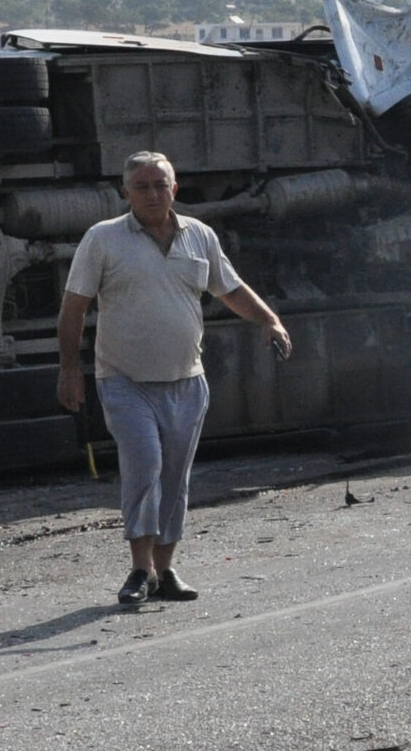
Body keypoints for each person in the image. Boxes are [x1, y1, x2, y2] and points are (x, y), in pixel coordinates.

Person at [57, 151, 292, 605]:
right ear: (126, 193)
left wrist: (270, 320)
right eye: (141, 187)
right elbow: (74, 307)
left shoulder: (199, 236)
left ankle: (164, 572)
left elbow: (231, 288)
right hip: (124, 380)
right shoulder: (102, 239)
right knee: (145, 465)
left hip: (187, 380)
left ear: (175, 189)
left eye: (160, 185)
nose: (152, 194)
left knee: (175, 478)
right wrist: (70, 368)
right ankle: (139, 569)